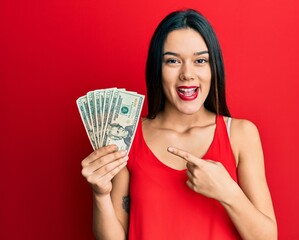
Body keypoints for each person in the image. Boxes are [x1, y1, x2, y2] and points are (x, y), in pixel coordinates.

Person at [81, 9, 277, 240]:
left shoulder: (241, 134)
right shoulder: (130, 136)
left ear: (213, 68)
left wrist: (229, 192)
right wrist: (100, 194)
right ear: (157, 69)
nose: (187, 74)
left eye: (200, 61)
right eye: (173, 61)